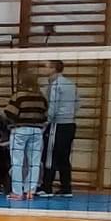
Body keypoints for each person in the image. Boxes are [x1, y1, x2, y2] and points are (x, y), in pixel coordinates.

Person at [6, 77, 49, 200]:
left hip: (20, 130)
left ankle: (17, 192)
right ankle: (30, 191)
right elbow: (46, 115)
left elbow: (9, 113)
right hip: (37, 131)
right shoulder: (41, 98)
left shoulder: (18, 96)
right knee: (35, 163)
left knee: (17, 162)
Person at [43, 60, 79, 197]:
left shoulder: (56, 85)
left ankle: (47, 187)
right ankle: (66, 188)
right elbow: (78, 103)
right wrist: (69, 115)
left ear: (53, 68)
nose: (44, 69)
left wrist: (47, 122)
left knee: (50, 156)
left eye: (46, 67)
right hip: (70, 124)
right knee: (64, 157)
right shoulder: (71, 84)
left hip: (57, 125)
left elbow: (53, 106)